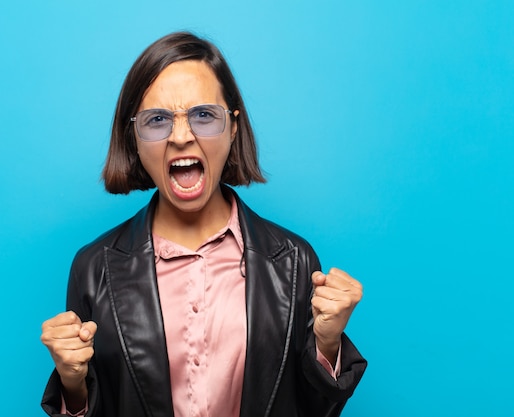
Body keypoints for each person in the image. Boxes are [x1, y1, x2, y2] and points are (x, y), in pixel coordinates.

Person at [40, 31, 367, 417]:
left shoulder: (293, 260)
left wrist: (326, 345)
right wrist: (73, 383)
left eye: (203, 115)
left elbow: (313, 410)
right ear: (134, 138)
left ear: (232, 127)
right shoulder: (94, 268)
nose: (181, 137)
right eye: (157, 120)